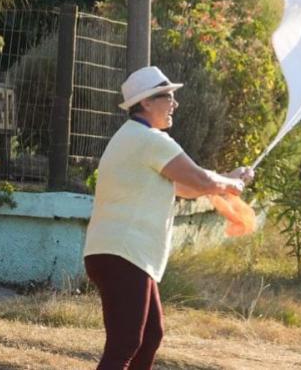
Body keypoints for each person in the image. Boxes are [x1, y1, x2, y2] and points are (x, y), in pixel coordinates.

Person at [83, 66, 253, 370]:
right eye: (168, 97)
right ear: (146, 102)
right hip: (123, 254)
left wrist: (227, 179)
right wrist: (233, 184)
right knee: (124, 344)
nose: (175, 103)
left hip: (120, 253)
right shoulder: (150, 140)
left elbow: (186, 187)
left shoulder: (137, 139)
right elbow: (200, 180)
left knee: (149, 337)